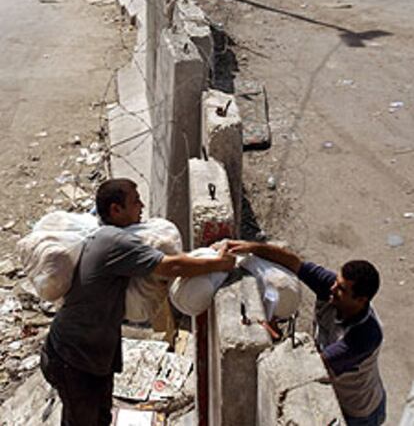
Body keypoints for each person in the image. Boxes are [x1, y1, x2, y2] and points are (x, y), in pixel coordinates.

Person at [40, 178, 235, 426]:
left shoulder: (108, 237)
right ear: (115, 210)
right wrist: (220, 263)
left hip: (88, 354)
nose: (142, 205)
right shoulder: (115, 241)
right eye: (135, 201)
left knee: (99, 418)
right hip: (74, 356)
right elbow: (170, 266)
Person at [226, 240, 386, 426]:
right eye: (336, 281)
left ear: (360, 300)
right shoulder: (332, 289)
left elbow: (313, 364)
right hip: (337, 390)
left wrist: (273, 333)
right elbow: (295, 263)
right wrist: (252, 247)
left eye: (341, 289)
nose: (333, 288)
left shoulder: (364, 336)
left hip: (358, 413)